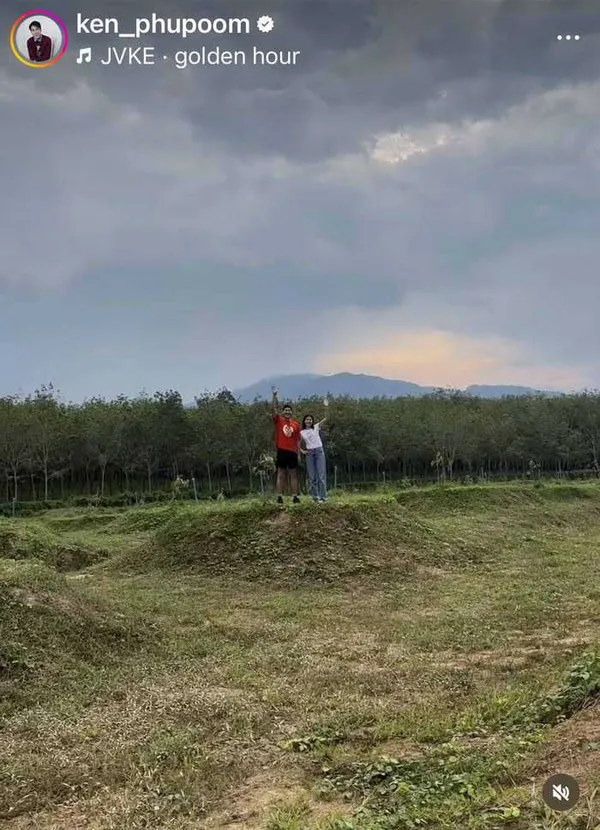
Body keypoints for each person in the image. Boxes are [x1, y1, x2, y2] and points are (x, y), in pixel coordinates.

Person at [271, 386, 301, 504]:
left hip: (292, 452)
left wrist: (299, 453)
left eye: (289, 410)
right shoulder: (279, 420)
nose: (287, 412)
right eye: (286, 410)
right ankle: (279, 496)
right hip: (282, 450)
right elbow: (274, 410)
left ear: (291, 412)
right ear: (283, 412)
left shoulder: (296, 424)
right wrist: (274, 397)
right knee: (281, 474)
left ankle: (295, 496)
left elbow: (298, 440)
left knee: (293, 475)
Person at [300, 399, 329, 502]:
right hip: (310, 453)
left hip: (319, 451)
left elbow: (326, 418)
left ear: (312, 421)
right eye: (307, 419)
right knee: (312, 477)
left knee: (321, 475)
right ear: (304, 421)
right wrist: (302, 451)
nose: (308, 421)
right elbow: (295, 442)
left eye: (310, 419)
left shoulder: (316, 427)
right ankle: (315, 497)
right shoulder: (302, 432)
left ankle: (323, 497)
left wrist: (326, 407)